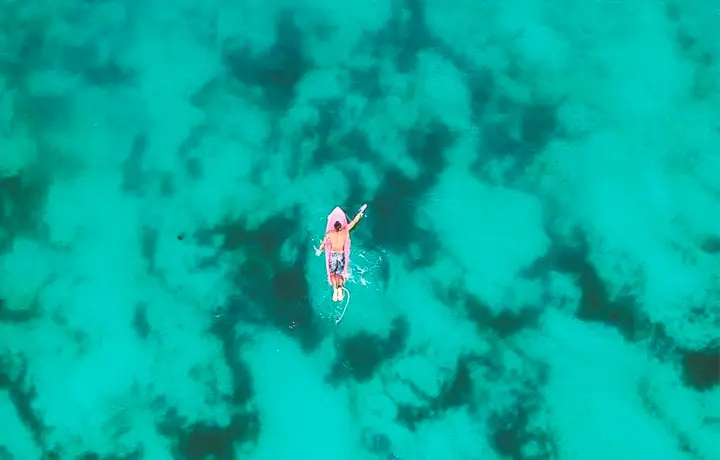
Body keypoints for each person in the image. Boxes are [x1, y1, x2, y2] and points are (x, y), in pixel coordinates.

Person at [315, 204, 367, 302]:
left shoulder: (330, 233)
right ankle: (340, 286)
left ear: (334, 227)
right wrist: (361, 212)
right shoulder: (345, 230)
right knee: (339, 273)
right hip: (341, 254)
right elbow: (355, 221)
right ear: (341, 226)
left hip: (333, 254)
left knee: (332, 274)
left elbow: (323, 243)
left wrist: (320, 250)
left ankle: (335, 288)